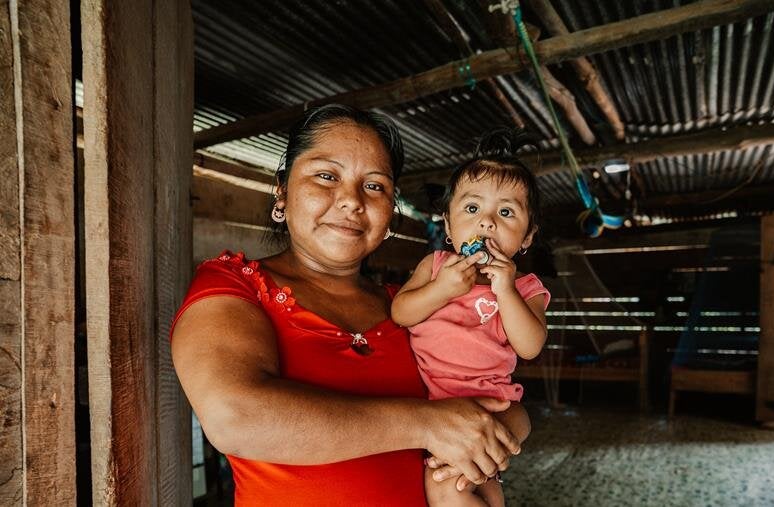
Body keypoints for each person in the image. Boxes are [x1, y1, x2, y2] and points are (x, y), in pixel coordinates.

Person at [170, 104, 521, 506]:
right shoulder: (235, 285)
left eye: (374, 186)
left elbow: (488, 398)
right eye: (326, 175)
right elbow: (236, 417)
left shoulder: (414, 307)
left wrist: (509, 425)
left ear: (390, 211)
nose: (351, 200)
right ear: (282, 190)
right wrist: (427, 425)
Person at [392, 129, 550, 506]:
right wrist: (442, 289)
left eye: (506, 212)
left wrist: (505, 290)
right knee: (474, 489)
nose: (487, 223)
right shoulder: (435, 267)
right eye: (472, 208)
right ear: (448, 226)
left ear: (527, 237)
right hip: (440, 409)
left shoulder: (526, 287)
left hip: (492, 405)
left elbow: (530, 347)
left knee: (449, 488)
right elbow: (401, 312)